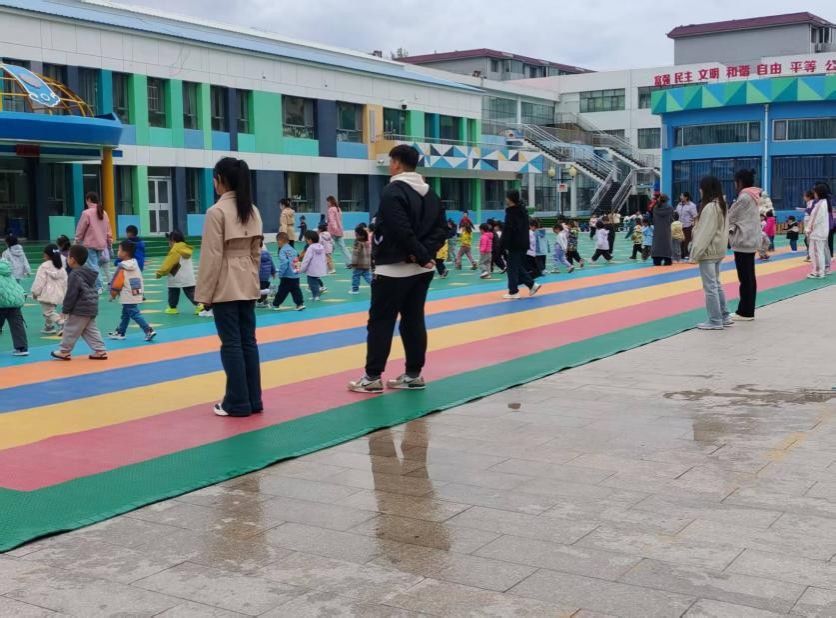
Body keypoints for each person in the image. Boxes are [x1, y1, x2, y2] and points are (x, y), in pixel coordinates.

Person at [348, 144, 446, 393]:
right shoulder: (431, 193)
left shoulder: (393, 191)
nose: (390, 166)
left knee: (381, 322)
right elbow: (441, 230)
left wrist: (418, 254)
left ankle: (372, 377)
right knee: (413, 320)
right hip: (422, 271)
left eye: (391, 162)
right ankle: (413, 375)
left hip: (393, 269)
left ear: (397, 163)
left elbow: (399, 229)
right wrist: (424, 256)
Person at [195, 157, 264, 418]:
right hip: (247, 279)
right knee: (248, 342)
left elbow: (211, 256)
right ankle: (253, 399)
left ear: (220, 180)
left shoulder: (216, 212)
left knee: (231, 344)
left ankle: (236, 401)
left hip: (225, 282)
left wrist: (204, 294)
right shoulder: (252, 210)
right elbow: (256, 252)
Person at [51, 245, 107, 361]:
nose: (67, 259)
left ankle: (64, 351)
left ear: (72, 260)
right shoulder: (88, 273)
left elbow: (71, 294)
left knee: (70, 329)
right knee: (90, 330)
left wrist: (65, 310)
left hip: (79, 308)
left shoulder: (74, 274)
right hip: (91, 306)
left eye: (68, 257)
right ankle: (100, 350)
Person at [690, 176, 732, 331]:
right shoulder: (722, 204)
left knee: (710, 287)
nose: (700, 191)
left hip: (709, 251)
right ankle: (724, 315)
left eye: (701, 188)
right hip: (718, 250)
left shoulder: (710, 208)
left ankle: (715, 320)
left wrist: (695, 253)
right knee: (716, 284)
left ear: (706, 189)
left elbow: (705, 233)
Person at [728, 169, 762, 321]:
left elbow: (731, 216)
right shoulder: (753, 195)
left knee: (745, 278)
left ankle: (745, 312)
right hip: (750, 240)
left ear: (740, 182)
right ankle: (748, 310)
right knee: (749, 277)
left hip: (743, 240)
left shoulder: (744, 197)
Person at [108, 240, 156, 342]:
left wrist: (113, 294)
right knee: (126, 314)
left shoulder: (122, 267)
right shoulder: (135, 263)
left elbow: (117, 283)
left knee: (134, 313)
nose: (118, 252)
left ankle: (148, 330)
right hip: (136, 291)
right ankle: (120, 332)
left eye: (119, 250)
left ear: (125, 253)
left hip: (127, 294)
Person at [501, 190, 541, 300]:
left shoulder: (512, 212)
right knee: (516, 266)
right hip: (523, 243)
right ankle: (532, 285)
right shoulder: (522, 211)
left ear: (510, 198)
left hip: (514, 244)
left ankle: (513, 291)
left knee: (512, 268)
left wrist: (503, 245)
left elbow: (508, 230)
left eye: (507, 197)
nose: (505, 199)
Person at [156, 230, 202, 316]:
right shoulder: (186, 248)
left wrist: (160, 273)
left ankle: (172, 308)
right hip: (188, 276)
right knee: (191, 292)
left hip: (176, 275)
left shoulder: (175, 249)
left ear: (173, 240)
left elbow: (168, 263)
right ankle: (200, 305)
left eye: (169, 241)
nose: (168, 243)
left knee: (173, 292)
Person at [74, 192, 112, 292]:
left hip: (90, 243)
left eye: (86, 200)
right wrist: (109, 242)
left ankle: (99, 286)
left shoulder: (86, 213)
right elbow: (108, 229)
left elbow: (81, 228)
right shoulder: (104, 213)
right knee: (95, 265)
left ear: (89, 200)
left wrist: (77, 240)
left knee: (93, 265)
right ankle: (98, 284)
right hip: (101, 244)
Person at [30, 244, 67, 335]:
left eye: (44, 253)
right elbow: (65, 282)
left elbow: (39, 282)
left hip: (47, 293)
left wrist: (35, 292)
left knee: (48, 312)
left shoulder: (44, 266)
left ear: (48, 255)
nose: (43, 255)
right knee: (50, 309)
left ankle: (62, 323)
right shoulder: (60, 267)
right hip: (58, 294)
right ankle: (49, 327)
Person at [0, 260, 28, 356]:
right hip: (14, 301)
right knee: (17, 325)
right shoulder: (7, 269)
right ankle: (22, 348)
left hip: (1, 302)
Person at [272, 232, 305, 311]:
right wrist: (297, 271)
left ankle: (276, 304)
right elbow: (297, 260)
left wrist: (281, 273)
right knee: (296, 290)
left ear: (279, 241)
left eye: (277, 242)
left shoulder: (282, 251)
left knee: (282, 291)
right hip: (295, 274)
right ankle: (299, 304)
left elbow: (284, 263)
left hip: (286, 275)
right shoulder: (293, 250)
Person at [807, 183, 832, 279]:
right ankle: (822, 270)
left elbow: (815, 219)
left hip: (817, 233)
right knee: (819, 252)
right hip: (821, 232)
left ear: (819, 192)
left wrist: (808, 229)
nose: (814, 194)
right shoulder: (824, 202)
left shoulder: (821, 204)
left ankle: (818, 272)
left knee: (816, 253)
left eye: (815, 192)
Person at [300, 230, 328, 301]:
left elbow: (306, 260)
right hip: (319, 269)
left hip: (312, 270)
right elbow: (324, 258)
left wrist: (302, 269)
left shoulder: (310, 248)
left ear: (309, 240)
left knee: (312, 283)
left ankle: (316, 295)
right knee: (315, 282)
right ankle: (316, 294)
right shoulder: (321, 247)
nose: (305, 241)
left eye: (306, 239)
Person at [326, 195, 351, 266]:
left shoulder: (331, 209)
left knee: (329, 247)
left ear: (330, 202)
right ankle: (349, 262)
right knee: (343, 247)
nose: (327, 203)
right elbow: (339, 220)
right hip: (339, 231)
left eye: (327, 202)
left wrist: (334, 228)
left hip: (332, 231)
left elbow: (332, 220)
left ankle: (326, 261)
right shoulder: (338, 209)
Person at [651, 194, 674, 266]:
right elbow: (671, 219)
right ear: (666, 200)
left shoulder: (655, 208)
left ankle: (656, 259)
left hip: (657, 229)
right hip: (666, 229)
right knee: (667, 244)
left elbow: (653, 219)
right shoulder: (670, 208)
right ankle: (667, 259)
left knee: (657, 244)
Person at [349, 225, 372, 293]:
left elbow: (355, 254)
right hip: (367, 263)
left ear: (358, 234)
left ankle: (355, 289)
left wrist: (353, 264)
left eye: (356, 233)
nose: (355, 234)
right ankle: (374, 285)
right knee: (367, 276)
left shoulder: (357, 243)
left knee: (356, 276)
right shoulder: (367, 242)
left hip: (359, 264)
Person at [676, 192, 698, 260]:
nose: (680, 197)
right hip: (680, 226)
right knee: (680, 240)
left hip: (688, 225)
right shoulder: (679, 204)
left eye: (682, 196)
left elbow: (695, 216)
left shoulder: (692, 205)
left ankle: (687, 254)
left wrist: (694, 224)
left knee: (687, 241)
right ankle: (681, 254)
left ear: (686, 197)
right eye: (680, 195)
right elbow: (677, 213)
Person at [257, 241, 276, 307]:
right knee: (264, 286)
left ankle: (260, 302)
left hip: (259, 275)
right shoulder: (267, 253)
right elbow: (272, 263)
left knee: (261, 289)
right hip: (267, 275)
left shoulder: (256, 255)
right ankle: (265, 299)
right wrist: (273, 272)